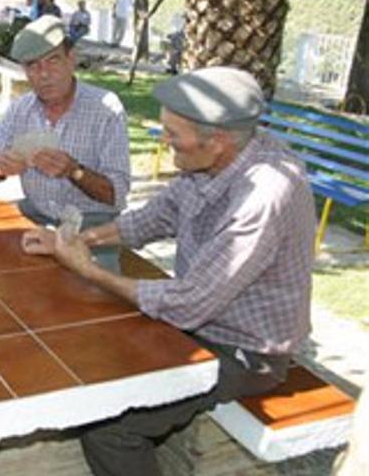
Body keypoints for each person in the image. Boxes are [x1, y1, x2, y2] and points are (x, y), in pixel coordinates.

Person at [21, 66, 315, 476]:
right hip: (202, 324)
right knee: (94, 348)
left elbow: (187, 305)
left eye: (173, 135)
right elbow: (151, 219)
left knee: (111, 428)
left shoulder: (264, 195)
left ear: (218, 141)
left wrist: (90, 272)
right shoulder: (214, 162)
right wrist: (71, 242)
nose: (164, 141)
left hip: (245, 352)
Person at [0, 16, 130, 272]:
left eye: (53, 61)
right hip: (35, 217)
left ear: (71, 59)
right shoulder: (20, 110)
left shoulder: (106, 109)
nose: (44, 74)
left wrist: (74, 171)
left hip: (93, 227)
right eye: (33, 65)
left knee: (97, 297)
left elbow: (117, 195)